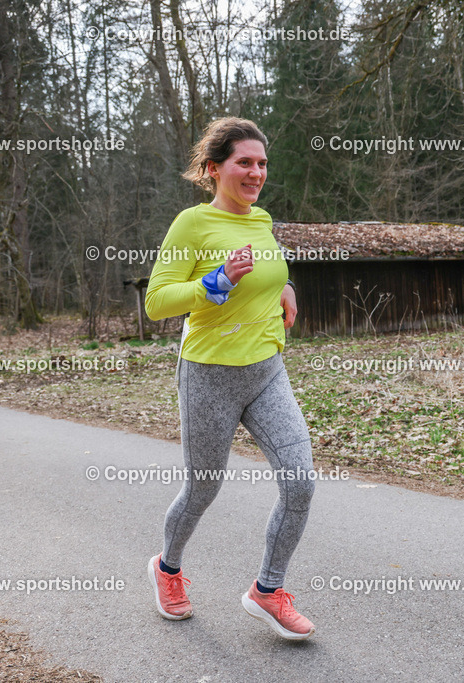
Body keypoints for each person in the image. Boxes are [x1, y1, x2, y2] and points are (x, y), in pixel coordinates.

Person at [143, 117, 316, 640]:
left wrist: (282, 290)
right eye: (245, 162)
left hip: (266, 372)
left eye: (262, 163)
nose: (256, 172)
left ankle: (268, 590)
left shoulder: (261, 221)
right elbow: (157, 302)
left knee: (300, 480)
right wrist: (213, 283)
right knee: (204, 485)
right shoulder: (192, 224)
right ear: (215, 169)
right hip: (209, 375)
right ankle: (167, 569)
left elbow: (265, 272)